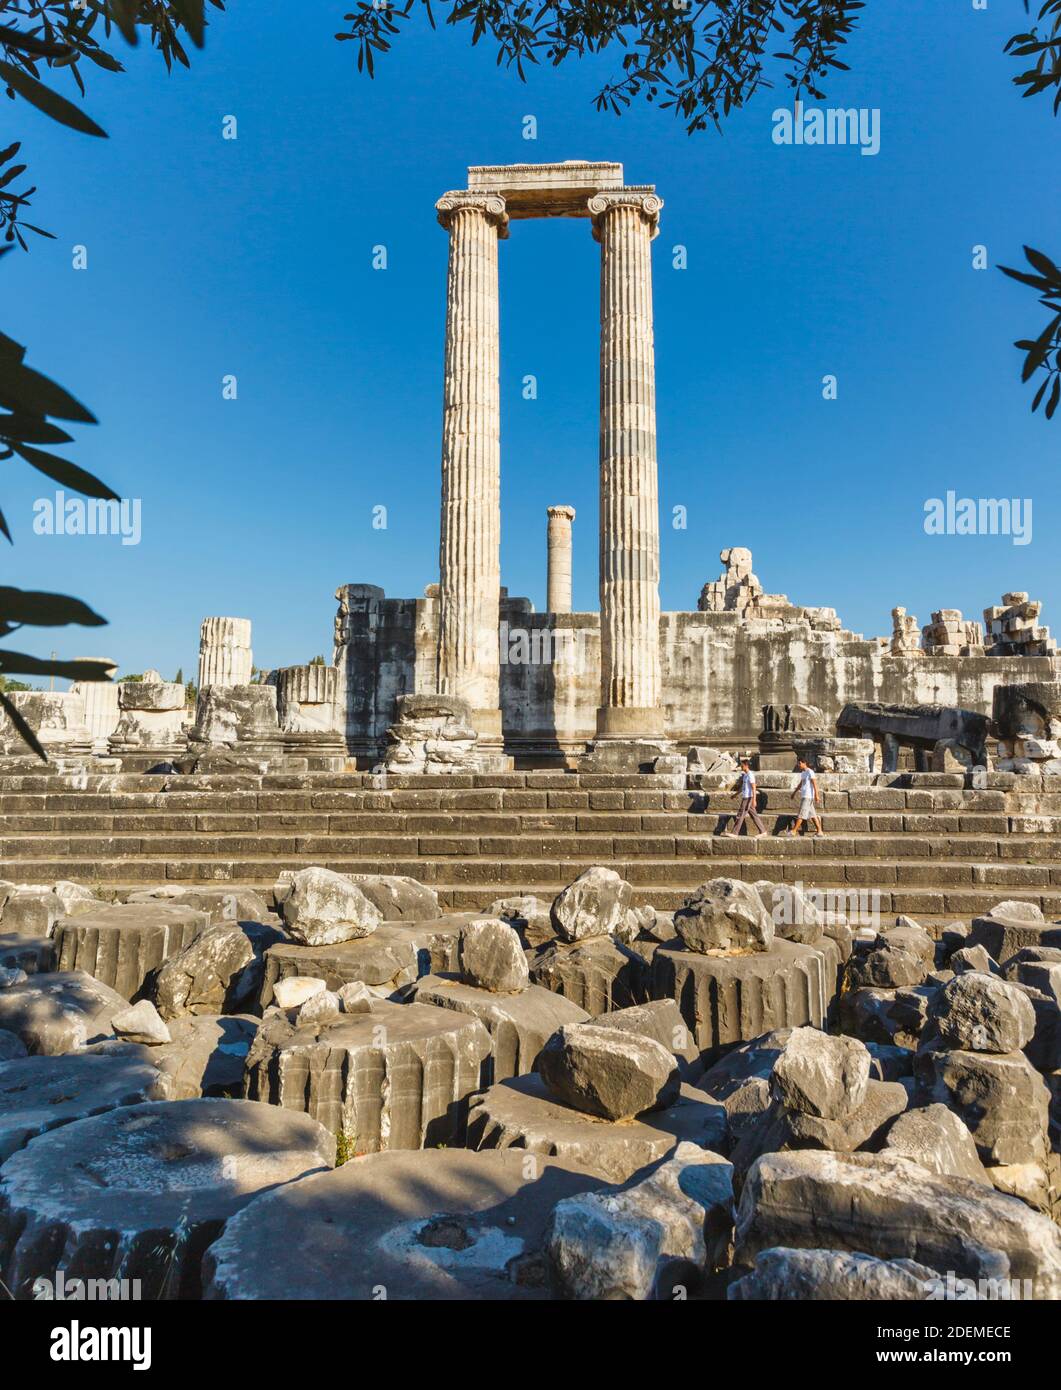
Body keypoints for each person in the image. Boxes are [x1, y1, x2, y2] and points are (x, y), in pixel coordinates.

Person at [724, 757, 766, 836]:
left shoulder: (750, 775)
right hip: (746, 797)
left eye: (742, 766)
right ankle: (763, 831)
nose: (741, 767)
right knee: (754, 815)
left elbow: (754, 788)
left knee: (740, 814)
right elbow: (742, 788)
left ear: (746, 766)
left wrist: (754, 800)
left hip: (748, 798)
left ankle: (735, 833)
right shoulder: (745, 775)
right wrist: (735, 794)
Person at [790, 756, 825, 836]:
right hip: (805, 796)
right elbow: (801, 784)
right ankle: (820, 831)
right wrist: (794, 792)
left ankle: (794, 831)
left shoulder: (810, 772)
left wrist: (816, 795)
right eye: (798, 763)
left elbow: (815, 784)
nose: (798, 765)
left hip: (808, 797)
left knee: (801, 814)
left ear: (804, 763)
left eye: (799, 763)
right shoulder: (803, 773)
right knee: (813, 815)